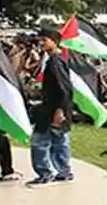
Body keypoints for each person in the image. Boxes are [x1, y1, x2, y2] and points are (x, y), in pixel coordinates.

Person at [27, 29, 73, 186]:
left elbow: (64, 88)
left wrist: (59, 110)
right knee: (60, 141)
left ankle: (45, 172)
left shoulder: (55, 62)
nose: (41, 43)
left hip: (52, 109)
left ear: (54, 41)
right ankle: (64, 171)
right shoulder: (57, 60)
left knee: (39, 142)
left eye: (44, 40)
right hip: (56, 107)